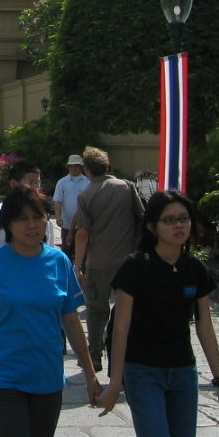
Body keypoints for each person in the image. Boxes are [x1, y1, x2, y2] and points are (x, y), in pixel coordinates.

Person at [0, 185, 100, 437]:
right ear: (8, 224)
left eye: (37, 217)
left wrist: (90, 374)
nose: (32, 225)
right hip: (3, 378)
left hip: (47, 378)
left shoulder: (59, 262)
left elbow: (72, 322)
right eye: (22, 219)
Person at [97, 191, 219, 436]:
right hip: (143, 370)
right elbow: (121, 327)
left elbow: (205, 327)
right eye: (169, 220)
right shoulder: (135, 266)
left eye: (184, 218)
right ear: (152, 227)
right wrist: (116, 381)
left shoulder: (195, 269)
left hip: (183, 371)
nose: (179, 225)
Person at [74, 145, 144, 372]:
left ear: (86, 170)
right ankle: (125, 354)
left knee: (96, 310)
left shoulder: (86, 194)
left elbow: (83, 232)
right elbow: (141, 218)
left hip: (99, 262)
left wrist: (77, 264)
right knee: (129, 310)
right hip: (128, 261)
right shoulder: (127, 186)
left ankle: (95, 354)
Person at [52, 154, 89, 257]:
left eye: (76, 165)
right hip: (67, 223)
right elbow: (57, 201)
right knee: (66, 253)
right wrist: (58, 216)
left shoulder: (88, 182)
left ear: (81, 167)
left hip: (83, 224)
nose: (74, 168)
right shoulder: (62, 182)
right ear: (68, 167)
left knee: (83, 254)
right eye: (71, 166)